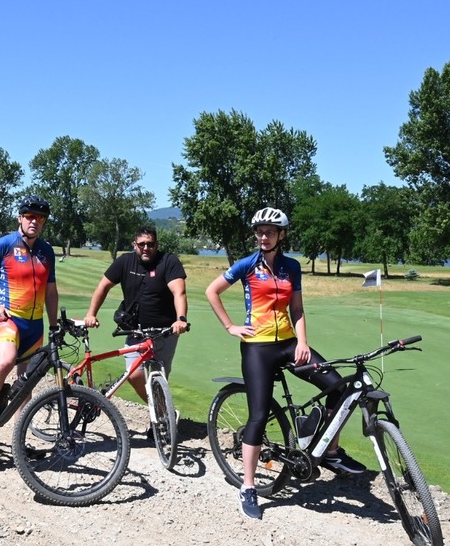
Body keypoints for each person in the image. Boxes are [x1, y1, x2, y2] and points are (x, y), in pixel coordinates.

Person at [205, 206, 366, 520]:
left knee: (337, 387)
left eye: (270, 232)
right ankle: (249, 487)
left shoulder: (291, 267)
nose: (264, 237)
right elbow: (212, 291)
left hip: (289, 344)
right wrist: (230, 327)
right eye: (259, 232)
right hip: (257, 348)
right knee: (259, 415)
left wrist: (302, 342)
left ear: (281, 235)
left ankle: (330, 453)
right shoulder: (247, 265)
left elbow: (297, 309)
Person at [0, 195, 58, 452]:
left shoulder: (46, 250)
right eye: (30, 216)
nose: (35, 221)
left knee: (26, 381)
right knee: (4, 363)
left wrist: (54, 325)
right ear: (20, 218)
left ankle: (19, 439)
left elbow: (51, 292)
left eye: (40, 218)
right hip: (9, 319)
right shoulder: (5, 244)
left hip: (34, 325)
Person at [82, 225, 188, 429]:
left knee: (159, 378)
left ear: (157, 244)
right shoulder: (125, 261)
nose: (146, 248)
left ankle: (158, 420)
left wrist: (181, 318)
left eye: (151, 244)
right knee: (134, 373)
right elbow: (103, 286)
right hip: (134, 330)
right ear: (134, 245)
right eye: (142, 244)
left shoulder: (169, 261)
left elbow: (179, 292)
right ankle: (161, 411)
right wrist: (91, 314)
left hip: (164, 331)